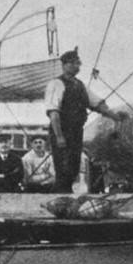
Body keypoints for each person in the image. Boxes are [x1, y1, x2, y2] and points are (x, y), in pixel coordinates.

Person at [44, 48, 120, 193]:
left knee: (73, 167)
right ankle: (60, 195)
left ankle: (65, 193)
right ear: (65, 65)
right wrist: (59, 136)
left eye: (78, 64)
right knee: (63, 168)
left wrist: (115, 116)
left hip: (76, 131)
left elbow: (97, 104)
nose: (77, 67)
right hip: (62, 130)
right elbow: (54, 113)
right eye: (73, 64)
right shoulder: (56, 84)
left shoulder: (80, 85)